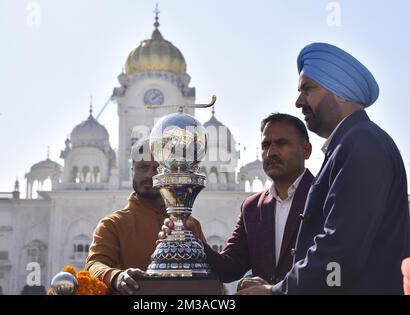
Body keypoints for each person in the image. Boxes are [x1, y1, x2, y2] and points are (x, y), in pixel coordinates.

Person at [238, 42, 410, 295]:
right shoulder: (349, 143)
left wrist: (277, 291)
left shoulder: (362, 143)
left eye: (308, 89)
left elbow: (341, 247)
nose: (298, 101)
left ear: (340, 92)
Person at [160, 113, 314, 287]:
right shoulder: (253, 207)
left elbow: (329, 264)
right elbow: (229, 268)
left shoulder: (324, 196)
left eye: (282, 143)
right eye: (265, 145)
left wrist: (275, 291)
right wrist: (194, 239)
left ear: (306, 150)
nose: (271, 152)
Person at [85, 139, 205, 295]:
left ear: (170, 172)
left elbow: (210, 273)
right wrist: (117, 276)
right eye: (142, 167)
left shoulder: (189, 224)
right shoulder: (113, 224)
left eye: (158, 168)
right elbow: (95, 264)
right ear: (132, 170)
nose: (149, 174)